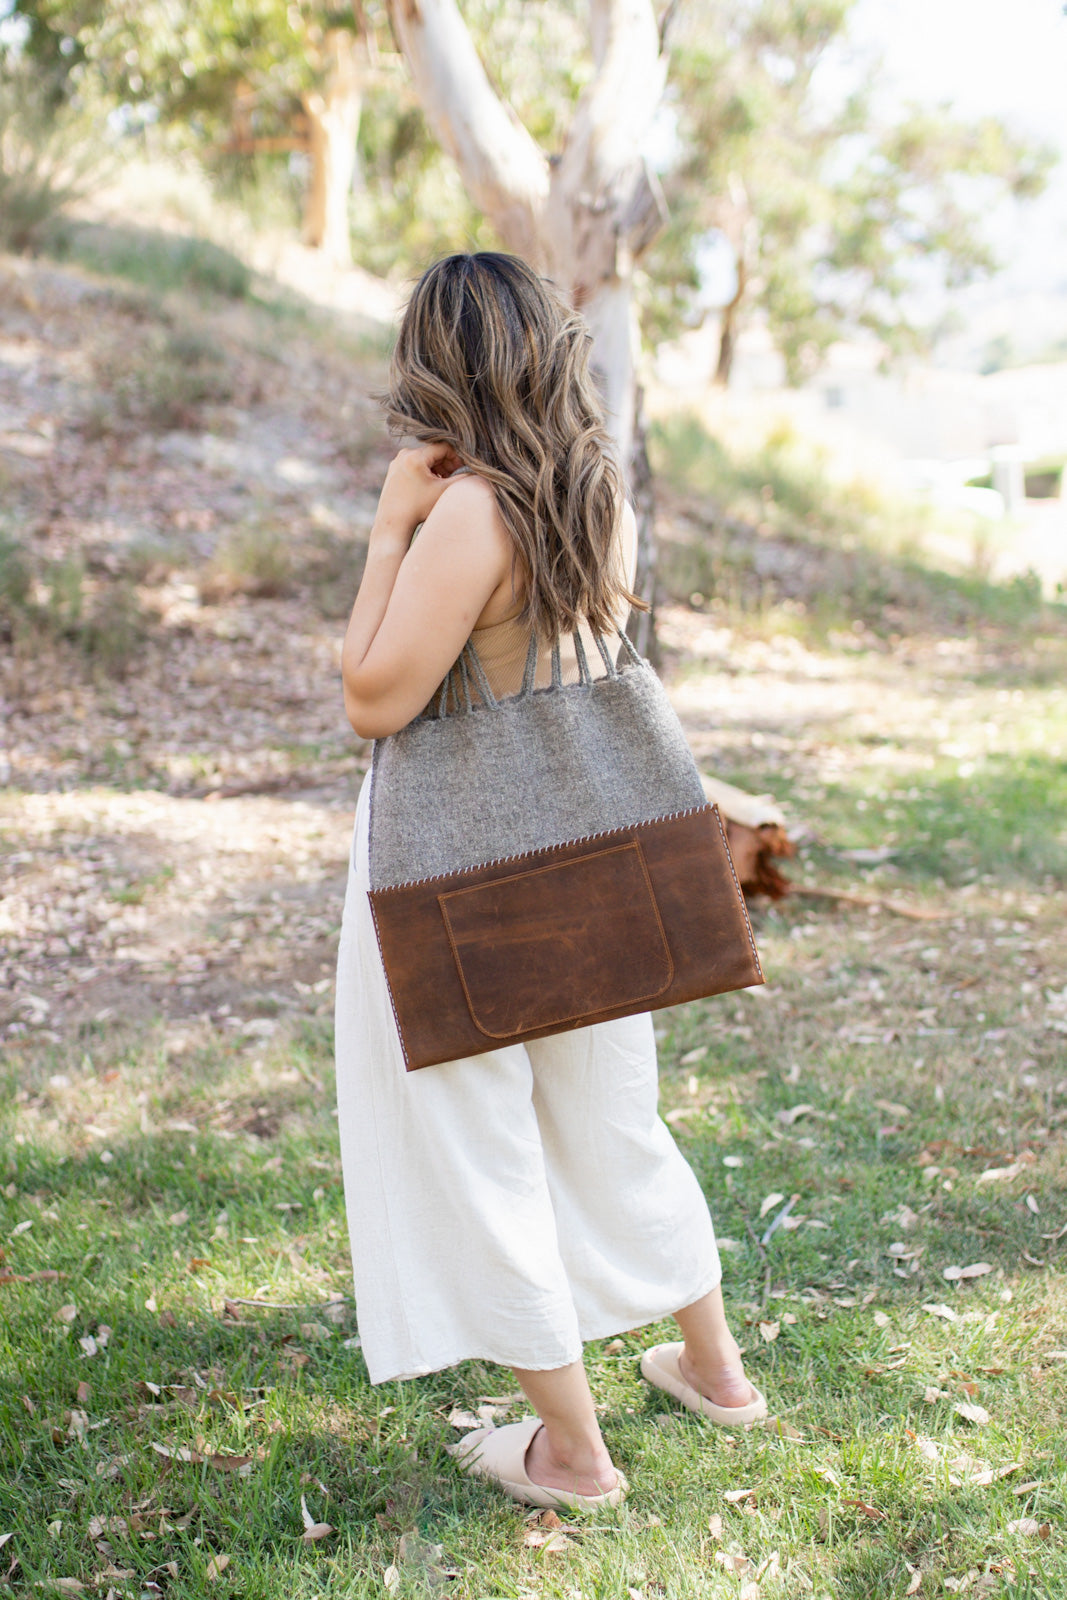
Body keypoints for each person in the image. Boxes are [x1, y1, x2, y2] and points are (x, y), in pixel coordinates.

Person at [334, 251, 764, 1512]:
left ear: (439, 366)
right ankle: (713, 1367)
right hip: (583, 859)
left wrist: (385, 530)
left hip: (460, 881)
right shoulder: (595, 490)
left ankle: (571, 1451)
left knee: (483, 1153)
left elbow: (375, 695)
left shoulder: (467, 516)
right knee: (612, 1123)